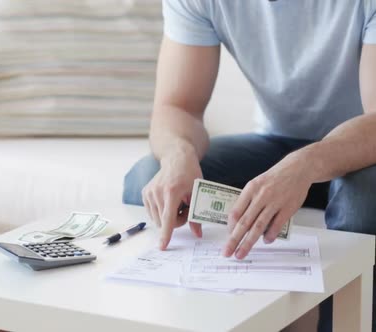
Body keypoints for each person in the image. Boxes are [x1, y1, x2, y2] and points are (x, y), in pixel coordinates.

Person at [122, 1, 376, 331]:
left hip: (361, 152)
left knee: (363, 203)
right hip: (276, 143)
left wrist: (304, 166)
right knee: (148, 178)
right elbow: (177, 107)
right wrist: (178, 155)